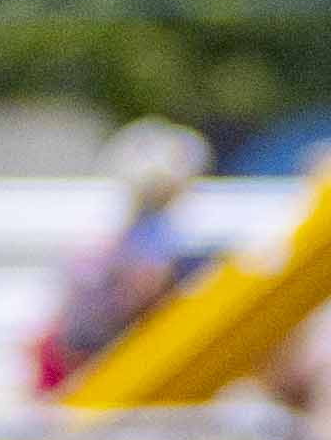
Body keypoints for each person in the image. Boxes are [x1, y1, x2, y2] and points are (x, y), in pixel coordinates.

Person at [36, 118, 209, 390]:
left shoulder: (138, 230)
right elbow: (138, 294)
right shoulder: (139, 236)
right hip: (90, 355)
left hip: (91, 350)